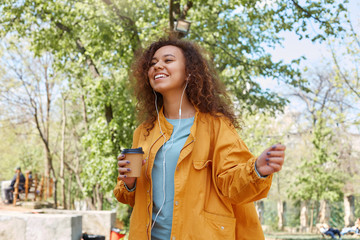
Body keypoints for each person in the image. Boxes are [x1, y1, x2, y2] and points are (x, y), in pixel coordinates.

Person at [113, 36, 286, 240]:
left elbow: (232, 185)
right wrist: (130, 182)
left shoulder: (217, 125)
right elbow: (130, 197)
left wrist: (257, 169)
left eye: (168, 60)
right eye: (152, 63)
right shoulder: (143, 132)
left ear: (188, 73)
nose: (158, 65)